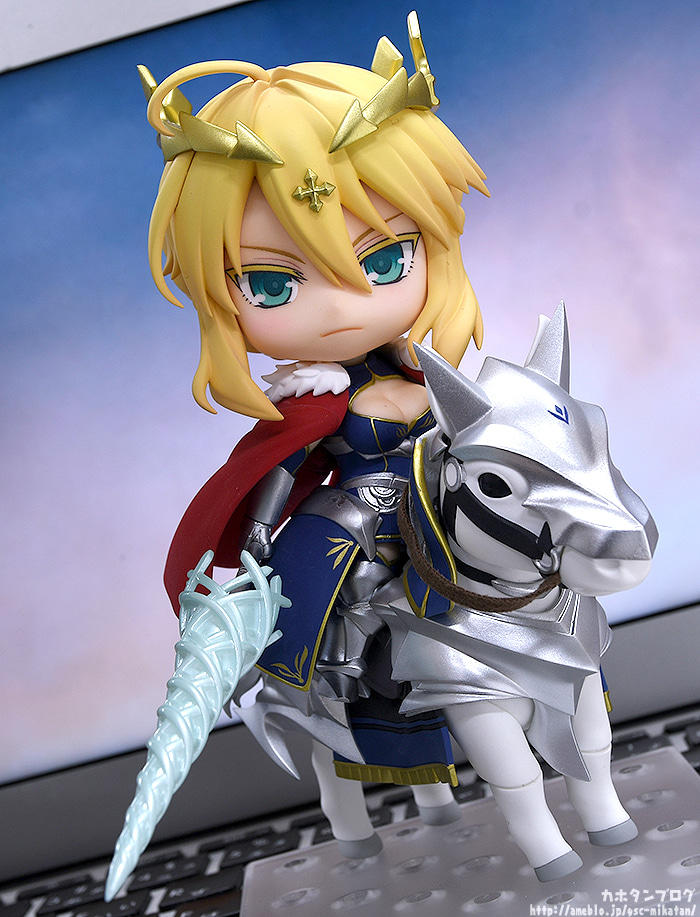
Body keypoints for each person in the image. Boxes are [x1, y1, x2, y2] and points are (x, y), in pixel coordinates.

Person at [142, 12, 489, 849]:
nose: (341, 306)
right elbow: (278, 470)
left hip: (446, 503)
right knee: (356, 615)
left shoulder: (421, 371)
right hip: (360, 524)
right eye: (271, 283)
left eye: (383, 260)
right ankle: (331, 684)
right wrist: (258, 542)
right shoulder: (314, 397)